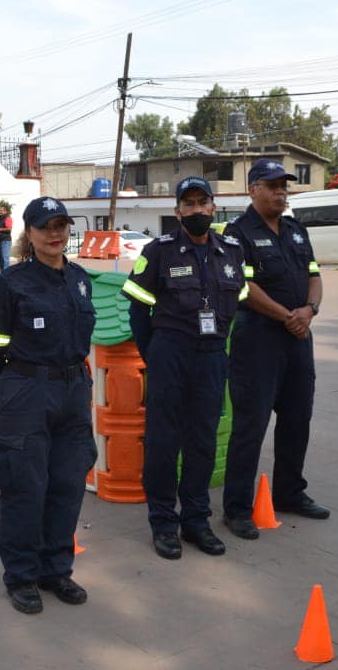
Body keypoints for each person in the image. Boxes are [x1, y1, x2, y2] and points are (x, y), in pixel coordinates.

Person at [0, 196, 98, 615]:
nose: (55, 233)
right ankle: (23, 576)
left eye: (61, 225)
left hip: (72, 391)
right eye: (46, 226)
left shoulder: (81, 279)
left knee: (67, 483)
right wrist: (6, 390)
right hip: (26, 389)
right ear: (29, 233)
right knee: (24, 487)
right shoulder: (12, 283)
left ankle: (56, 570)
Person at [122, 177, 247, 559]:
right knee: (163, 441)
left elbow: (239, 301)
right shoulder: (159, 252)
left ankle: (196, 521)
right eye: (187, 204)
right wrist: (155, 354)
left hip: (211, 356)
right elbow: (138, 308)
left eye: (201, 202)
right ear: (177, 211)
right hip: (170, 354)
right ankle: (163, 523)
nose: (195, 210)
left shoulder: (232, 251)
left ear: (213, 206)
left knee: (202, 440)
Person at [222, 158, 328, 542]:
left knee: (298, 419)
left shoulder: (297, 231)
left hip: (298, 339)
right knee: (251, 426)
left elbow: (315, 275)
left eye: (285, 185)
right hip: (258, 341)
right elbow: (244, 288)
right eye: (273, 185)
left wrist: (310, 311)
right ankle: (236, 508)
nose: (282, 191)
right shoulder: (237, 234)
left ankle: (289, 493)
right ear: (253, 190)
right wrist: (288, 316)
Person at [0, 204, 13, 271]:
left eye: (1, 210)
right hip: (0, 240)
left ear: (5, 211)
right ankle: (2, 273)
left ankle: (6, 274)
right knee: (0, 259)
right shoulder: (0, 219)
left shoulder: (8, 218)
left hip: (5, 241)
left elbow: (9, 229)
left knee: (5, 259)